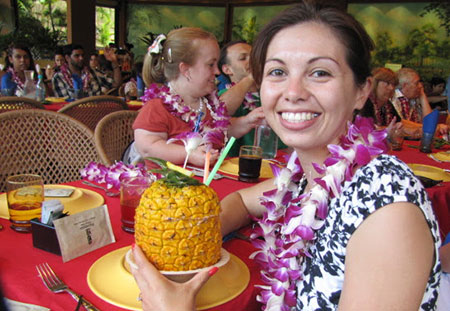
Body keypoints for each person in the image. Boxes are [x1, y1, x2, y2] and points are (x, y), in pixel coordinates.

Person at [130, 2, 441, 311]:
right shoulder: (302, 177)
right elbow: (239, 203)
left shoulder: (386, 208)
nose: (293, 92)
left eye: (320, 72)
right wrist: (189, 240)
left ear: (361, 91)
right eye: (277, 72)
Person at [132, 27, 264, 168]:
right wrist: (188, 154)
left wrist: (247, 121)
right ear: (186, 70)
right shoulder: (157, 106)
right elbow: (148, 147)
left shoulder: (207, 103)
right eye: (211, 64)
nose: (217, 71)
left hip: (207, 183)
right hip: (169, 186)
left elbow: (222, 130)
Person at [218, 41, 288, 157]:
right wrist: (251, 77)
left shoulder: (272, 92)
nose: (252, 60)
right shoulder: (225, 93)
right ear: (227, 70)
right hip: (241, 164)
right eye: (243, 58)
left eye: (254, 56)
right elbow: (220, 111)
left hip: (279, 159)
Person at [52, 44, 122, 98]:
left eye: (82, 55)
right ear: (67, 58)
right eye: (77, 56)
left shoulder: (92, 73)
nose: (81, 58)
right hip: (71, 114)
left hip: (96, 112)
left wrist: (114, 62)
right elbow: (64, 103)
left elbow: (116, 83)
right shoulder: (59, 77)